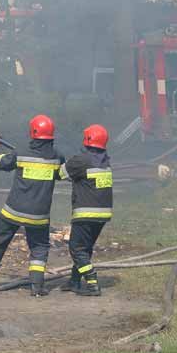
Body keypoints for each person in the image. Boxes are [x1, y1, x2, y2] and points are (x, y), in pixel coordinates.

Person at [0, 115, 66, 297]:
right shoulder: (57, 157)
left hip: (13, 211)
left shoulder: (21, 152)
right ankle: (37, 287)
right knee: (39, 248)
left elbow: (2, 162)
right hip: (38, 215)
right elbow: (61, 175)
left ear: (33, 132)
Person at [60, 124, 113, 296]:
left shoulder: (81, 160)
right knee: (85, 248)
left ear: (87, 139)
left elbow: (60, 174)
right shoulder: (106, 162)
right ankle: (74, 281)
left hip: (85, 213)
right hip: (103, 214)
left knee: (76, 248)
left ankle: (92, 282)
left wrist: (59, 161)